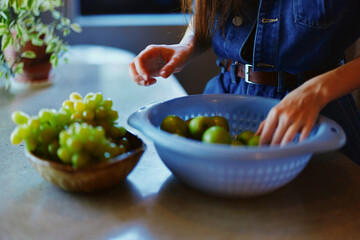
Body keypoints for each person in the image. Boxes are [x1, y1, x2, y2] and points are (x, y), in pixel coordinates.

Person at [128, 0, 360, 164]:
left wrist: (316, 91)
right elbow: (210, 9)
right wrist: (186, 46)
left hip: (316, 119)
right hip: (225, 98)